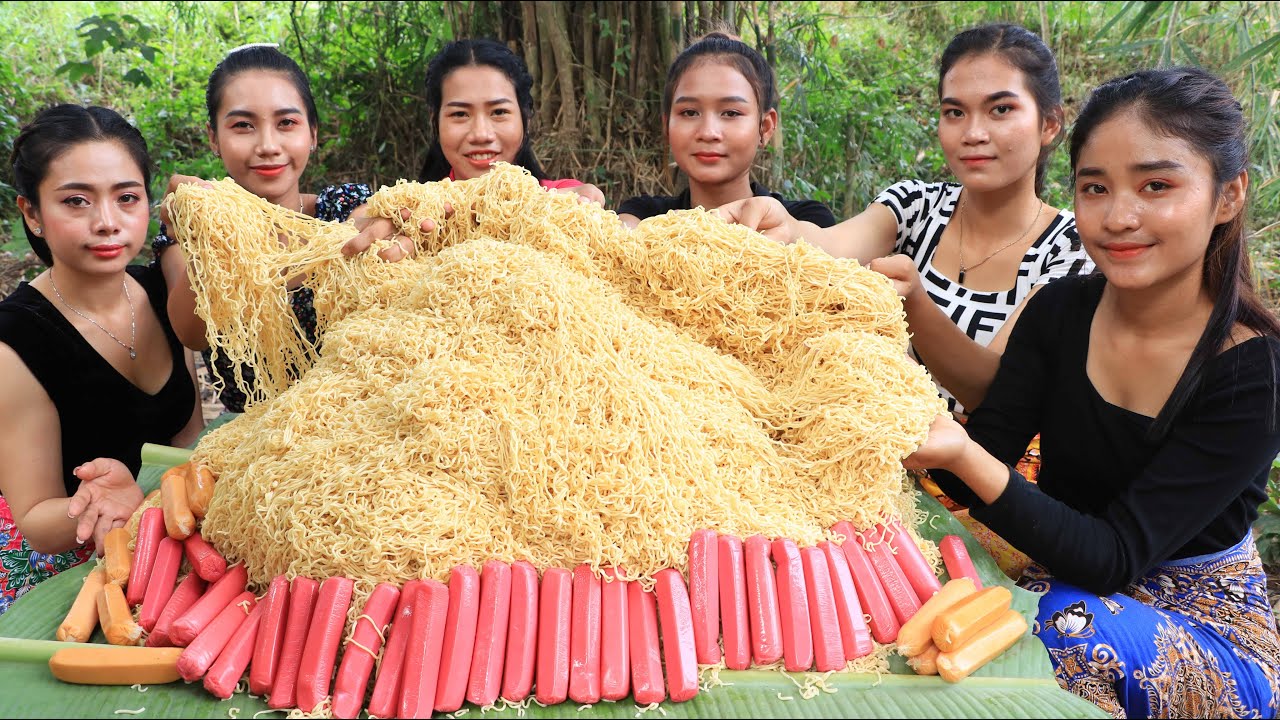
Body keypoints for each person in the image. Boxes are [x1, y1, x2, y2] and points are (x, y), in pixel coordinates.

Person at [906, 66, 1280, 716]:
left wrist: (962, 457)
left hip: (1199, 623)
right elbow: (984, 455)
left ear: (1228, 195)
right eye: (1095, 188)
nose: (1119, 216)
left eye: (1156, 185)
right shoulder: (1059, 313)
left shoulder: (1252, 371)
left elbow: (1115, 557)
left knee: (1062, 633)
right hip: (1062, 583)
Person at [719, 24, 1095, 577]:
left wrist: (916, 306)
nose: (972, 132)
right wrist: (785, 225)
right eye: (954, 112)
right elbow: (830, 245)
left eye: (999, 110)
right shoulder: (914, 207)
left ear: (1050, 124)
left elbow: (992, 390)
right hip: (877, 452)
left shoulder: (1070, 250)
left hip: (988, 479)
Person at [0, 104, 204, 614]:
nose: (107, 222)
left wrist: (156, 505)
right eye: (75, 201)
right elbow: (34, 519)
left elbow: (189, 439)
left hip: (167, 531)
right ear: (32, 213)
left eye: (127, 198)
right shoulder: (15, 340)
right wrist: (108, 501)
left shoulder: (162, 289)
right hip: (62, 564)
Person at [155, 44, 375, 413]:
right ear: (213, 138)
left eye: (287, 123)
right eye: (243, 126)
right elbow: (192, 333)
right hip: (253, 442)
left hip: (358, 430)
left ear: (313, 133)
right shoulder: (190, 232)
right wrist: (208, 231)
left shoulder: (346, 208)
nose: (268, 146)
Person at [342, 38, 605, 258]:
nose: (481, 134)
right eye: (460, 114)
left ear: (525, 118)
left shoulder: (560, 199)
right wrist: (356, 231)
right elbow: (361, 226)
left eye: (499, 111)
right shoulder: (411, 214)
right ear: (436, 121)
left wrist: (585, 209)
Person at [615, 31, 836, 228]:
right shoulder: (644, 218)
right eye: (690, 112)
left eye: (731, 113)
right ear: (667, 126)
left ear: (765, 127)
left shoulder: (805, 222)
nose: (708, 132)